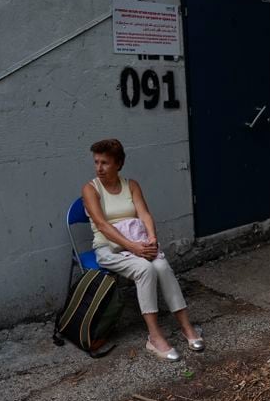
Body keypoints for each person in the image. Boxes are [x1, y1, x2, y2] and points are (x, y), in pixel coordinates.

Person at [82, 139, 203, 361]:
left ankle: (186, 327)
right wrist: (133, 247)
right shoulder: (91, 189)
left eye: (105, 163)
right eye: (96, 162)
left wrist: (152, 239)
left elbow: (145, 214)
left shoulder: (132, 185)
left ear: (118, 164)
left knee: (162, 266)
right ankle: (155, 338)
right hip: (109, 248)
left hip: (138, 242)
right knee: (145, 270)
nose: (99, 168)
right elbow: (102, 225)